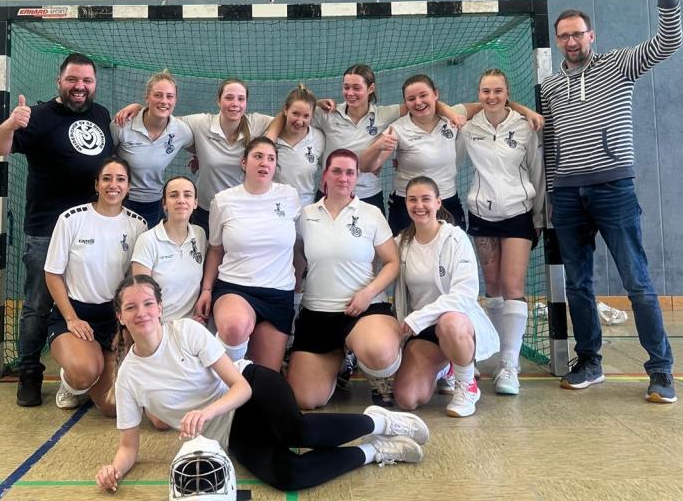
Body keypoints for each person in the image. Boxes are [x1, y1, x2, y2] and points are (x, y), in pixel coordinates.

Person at [95, 275, 429, 493]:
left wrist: (206, 412)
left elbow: (240, 387)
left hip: (250, 386)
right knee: (289, 477)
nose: (142, 312)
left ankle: (381, 422)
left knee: (297, 431)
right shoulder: (129, 377)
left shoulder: (185, 332)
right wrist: (114, 469)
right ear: (121, 316)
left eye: (148, 303)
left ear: (159, 307)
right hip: (229, 433)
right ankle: (372, 451)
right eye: (131, 307)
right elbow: (128, 448)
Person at [541, 0, 682, 404]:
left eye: (578, 34)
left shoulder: (619, 65)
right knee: (577, 285)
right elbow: (549, 143)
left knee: (636, 282)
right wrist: (552, 192)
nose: (571, 41)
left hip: (614, 190)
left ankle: (660, 370)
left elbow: (668, 42)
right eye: (564, 36)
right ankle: (589, 361)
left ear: (591, 36)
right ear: (557, 41)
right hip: (567, 195)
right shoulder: (549, 86)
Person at [0, 53, 113, 407]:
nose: (80, 87)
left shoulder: (101, 115)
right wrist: (10, 124)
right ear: (59, 81)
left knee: (89, 297)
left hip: (90, 233)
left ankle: (83, 367)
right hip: (47, 231)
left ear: (94, 85)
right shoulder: (39, 116)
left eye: (86, 80)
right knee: (38, 304)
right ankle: (29, 372)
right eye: (73, 79)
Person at [288, 149, 402, 408]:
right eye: (337, 171)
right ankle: (341, 360)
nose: (343, 177)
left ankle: (374, 366)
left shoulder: (371, 214)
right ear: (325, 176)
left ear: (357, 177)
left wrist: (367, 294)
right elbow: (298, 259)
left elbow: (392, 263)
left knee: (378, 352)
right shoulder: (305, 215)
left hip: (363, 310)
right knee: (305, 400)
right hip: (317, 314)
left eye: (350, 172)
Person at [461, 68, 544, 396]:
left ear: (507, 93)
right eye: (485, 91)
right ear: (478, 94)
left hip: (518, 213)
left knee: (513, 286)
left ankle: (510, 363)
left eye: (498, 91)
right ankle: (498, 353)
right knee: (493, 286)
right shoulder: (469, 127)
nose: (491, 97)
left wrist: (539, 216)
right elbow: (450, 113)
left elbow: (537, 171)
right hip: (481, 213)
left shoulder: (525, 126)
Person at [43, 158, 147, 414]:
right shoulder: (71, 219)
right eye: (107, 179)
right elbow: (52, 274)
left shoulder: (138, 225)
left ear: (128, 187)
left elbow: (133, 282)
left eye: (120, 179)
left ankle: (95, 370)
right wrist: (71, 319)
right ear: (97, 184)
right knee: (85, 371)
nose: (113, 185)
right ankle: (73, 382)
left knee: (113, 408)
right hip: (75, 314)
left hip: (112, 319)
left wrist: (124, 326)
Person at [392, 177, 500, 418]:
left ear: (438, 202)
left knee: (449, 322)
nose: (419, 205)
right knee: (407, 399)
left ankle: (466, 384)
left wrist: (418, 318)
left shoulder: (456, 239)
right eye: (412, 200)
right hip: (424, 330)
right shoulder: (401, 243)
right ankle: (447, 367)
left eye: (426, 199)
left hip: (456, 323)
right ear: (406, 204)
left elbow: (464, 295)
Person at [115, 79, 273, 236]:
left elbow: (283, 118)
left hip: (241, 211)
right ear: (219, 100)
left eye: (241, 99)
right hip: (205, 211)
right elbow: (162, 116)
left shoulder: (256, 123)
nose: (235, 103)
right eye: (229, 97)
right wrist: (139, 109)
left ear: (246, 102)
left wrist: (268, 142)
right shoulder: (201, 123)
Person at [195, 137, 301, 370]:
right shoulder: (223, 200)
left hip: (278, 295)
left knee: (265, 376)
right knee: (235, 327)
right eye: (258, 156)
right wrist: (206, 290)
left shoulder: (290, 196)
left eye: (271, 158)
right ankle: (224, 382)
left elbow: (298, 247)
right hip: (236, 288)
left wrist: (298, 289)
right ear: (244, 162)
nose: (264, 163)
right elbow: (216, 249)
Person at [358, 74, 468, 234]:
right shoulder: (398, 129)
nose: (418, 102)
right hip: (408, 205)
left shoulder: (453, 117)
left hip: (446, 200)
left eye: (423, 95)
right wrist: (376, 146)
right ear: (405, 102)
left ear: (435, 94)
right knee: (404, 250)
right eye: (411, 98)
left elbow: (487, 104)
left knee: (453, 248)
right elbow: (366, 167)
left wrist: (449, 112)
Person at [111, 71, 192, 227]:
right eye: (157, 95)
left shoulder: (181, 130)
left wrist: (198, 158)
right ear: (147, 97)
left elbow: (198, 147)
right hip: (121, 201)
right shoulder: (122, 124)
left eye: (170, 96)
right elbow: (104, 159)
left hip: (154, 204)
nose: (164, 101)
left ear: (175, 100)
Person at [131, 175, 208, 323]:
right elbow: (140, 295)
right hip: (157, 326)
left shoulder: (199, 235)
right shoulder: (147, 240)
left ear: (195, 203)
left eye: (187, 195)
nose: (181, 200)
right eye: (174, 195)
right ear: (164, 203)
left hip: (192, 325)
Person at [272, 84, 325, 205]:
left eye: (306, 116)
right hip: (275, 208)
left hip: (305, 208)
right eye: (295, 113)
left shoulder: (319, 138)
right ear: (285, 110)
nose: (300, 121)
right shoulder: (270, 137)